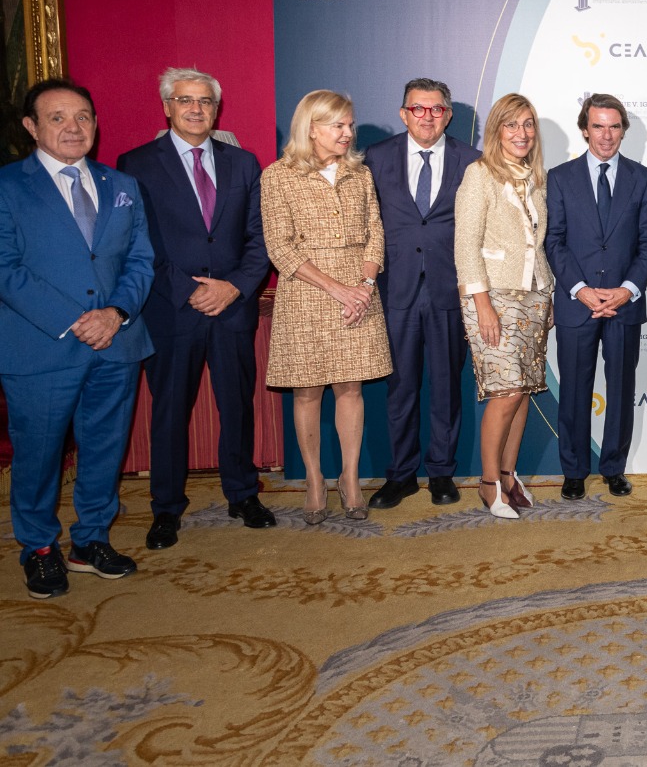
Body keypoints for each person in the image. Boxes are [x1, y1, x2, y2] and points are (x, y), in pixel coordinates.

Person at [1, 79, 153, 598]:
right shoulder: (7, 186)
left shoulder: (121, 184)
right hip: (41, 347)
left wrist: (116, 313)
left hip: (117, 342)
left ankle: (90, 540)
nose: (73, 127)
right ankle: (38, 547)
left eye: (83, 116)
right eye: (58, 117)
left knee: (105, 449)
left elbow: (141, 258)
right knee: (39, 455)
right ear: (31, 126)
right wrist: (75, 319)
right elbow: (5, 268)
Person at [118, 68, 273, 551]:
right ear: (167, 106)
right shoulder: (136, 164)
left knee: (237, 406)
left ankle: (242, 494)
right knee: (169, 412)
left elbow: (260, 238)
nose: (195, 109)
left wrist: (234, 288)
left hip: (231, 308)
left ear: (216, 109)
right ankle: (166, 507)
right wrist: (188, 290)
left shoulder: (243, 163)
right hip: (171, 309)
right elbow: (137, 243)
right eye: (185, 100)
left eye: (205, 101)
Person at [261, 90, 392, 523]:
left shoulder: (360, 174)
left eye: (349, 124)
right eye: (338, 125)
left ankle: (349, 479)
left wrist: (365, 286)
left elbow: (375, 233)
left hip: (360, 292)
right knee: (307, 391)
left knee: (351, 389)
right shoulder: (277, 176)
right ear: (311, 128)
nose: (348, 132)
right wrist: (339, 290)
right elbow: (279, 247)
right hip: (307, 295)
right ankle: (315, 479)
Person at [364, 78, 480, 510]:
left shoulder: (473, 161)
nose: (427, 117)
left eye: (436, 109)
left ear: (448, 115)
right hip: (396, 289)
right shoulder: (376, 158)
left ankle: (442, 473)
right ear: (403, 113)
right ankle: (400, 475)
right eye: (418, 108)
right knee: (400, 388)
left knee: (446, 388)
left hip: (450, 290)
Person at [545, 93, 647, 500]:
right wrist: (580, 290)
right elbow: (554, 240)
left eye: (614, 127)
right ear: (584, 130)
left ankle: (613, 467)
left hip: (624, 305)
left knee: (622, 389)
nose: (606, 135)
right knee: (574, 391)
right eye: (598, 126)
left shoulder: (643, 178)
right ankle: (574, 471)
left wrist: (627, 290)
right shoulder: (560, 178)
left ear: (623, 131)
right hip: (577, 305)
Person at [454, 93, 554, 518]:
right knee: (506, 390)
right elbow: (465, 245)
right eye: (511, 124)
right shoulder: (479, 174)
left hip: (534, 296)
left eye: (528, 124)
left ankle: (510, 476)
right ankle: (488, 482)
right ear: (496, 130)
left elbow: (537, 245)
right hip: (492, 296)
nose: (521, 133)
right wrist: (482, 305)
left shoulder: (535, 176)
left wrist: (547, 294)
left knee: (523, 390)